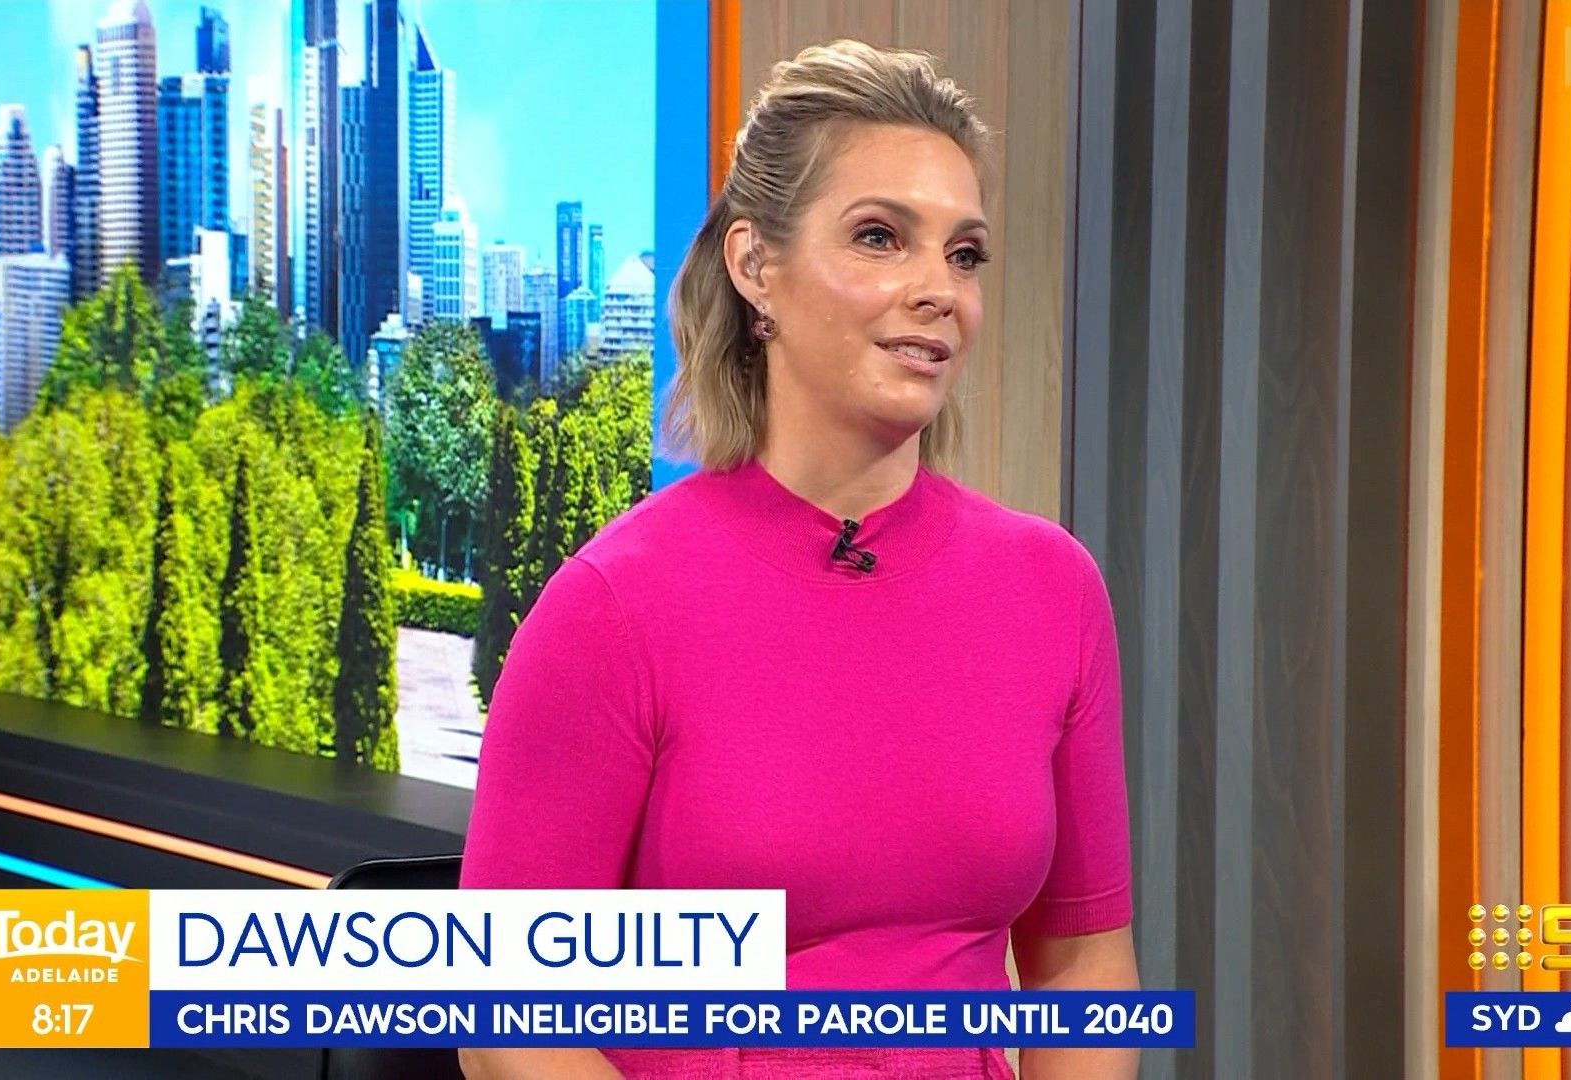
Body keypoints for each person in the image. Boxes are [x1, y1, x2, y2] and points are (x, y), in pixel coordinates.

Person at [458, 39, 1139, 1080]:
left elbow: (1082, 963)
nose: (940, 291)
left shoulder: (1051, 591)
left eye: (964, 255)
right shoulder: (614, 607)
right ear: (754, 267)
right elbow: (511, 1025)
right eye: (880, 237)